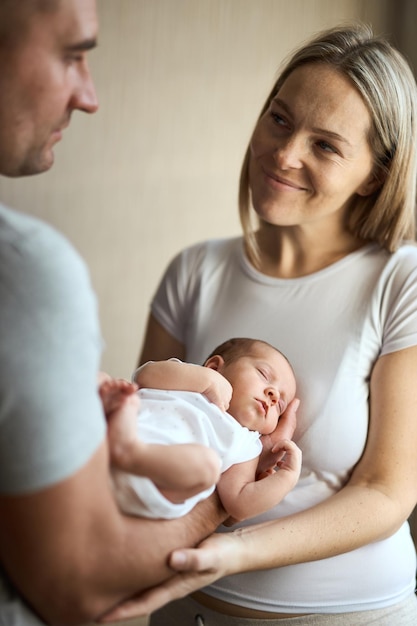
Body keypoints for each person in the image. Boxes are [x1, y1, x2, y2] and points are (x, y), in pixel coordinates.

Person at [106, 22, 417, 626]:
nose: (285, 153)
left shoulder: (399, 280)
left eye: (325, 145)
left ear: (375, 175)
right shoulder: (194, 271)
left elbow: (388, 491)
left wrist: (232, 551)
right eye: (279, 118)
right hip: (182, 608)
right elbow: (145, 425)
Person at [0, 2, 228, 625]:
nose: (90, 96)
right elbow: (82, 585)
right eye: (73, 54)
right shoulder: (26, 275)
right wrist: (227, 506)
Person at [101, 338, 300, 521]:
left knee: (208, 467)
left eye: (280, 405)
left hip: (155, 484)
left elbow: (239, 503)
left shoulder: (246, 443)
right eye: (264, 375)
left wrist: (287, 477)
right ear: (214, 367)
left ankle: (131, 452)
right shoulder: (190, 381)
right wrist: (207, 380)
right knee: (99, 378)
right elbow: (144, 375)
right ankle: (121, 440)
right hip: (105, 437)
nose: (273, 395)